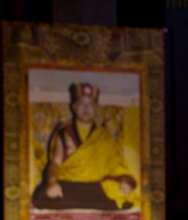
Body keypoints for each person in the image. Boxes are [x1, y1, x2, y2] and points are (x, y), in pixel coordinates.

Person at [31, 82, 138, 210]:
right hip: (70, 184)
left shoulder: (105, 137)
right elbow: (55, 163)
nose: (86, 108)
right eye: (82, 103)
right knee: (41, 195)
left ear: (96, 109)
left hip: (96, 186)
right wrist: (52, 182)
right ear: (74, 107)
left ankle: (74, 204)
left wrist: (124, 182)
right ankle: (77, 202)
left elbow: (116, 164)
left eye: (91, 104)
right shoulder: (64, 133)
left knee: (126, 197)